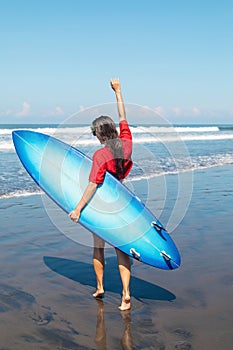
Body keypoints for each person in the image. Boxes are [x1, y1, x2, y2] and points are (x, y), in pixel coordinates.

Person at [69, 78, 133, 311]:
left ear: (98, 134)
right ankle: (126, 294)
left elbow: (93, 185)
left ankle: (100, 287)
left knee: (98, 247)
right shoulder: (127, 142)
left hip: (102, 204)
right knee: (121, 249)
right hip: (122, 201)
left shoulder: (100, 155)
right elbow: (123, 115)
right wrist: (118, 91)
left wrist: (77, 209)